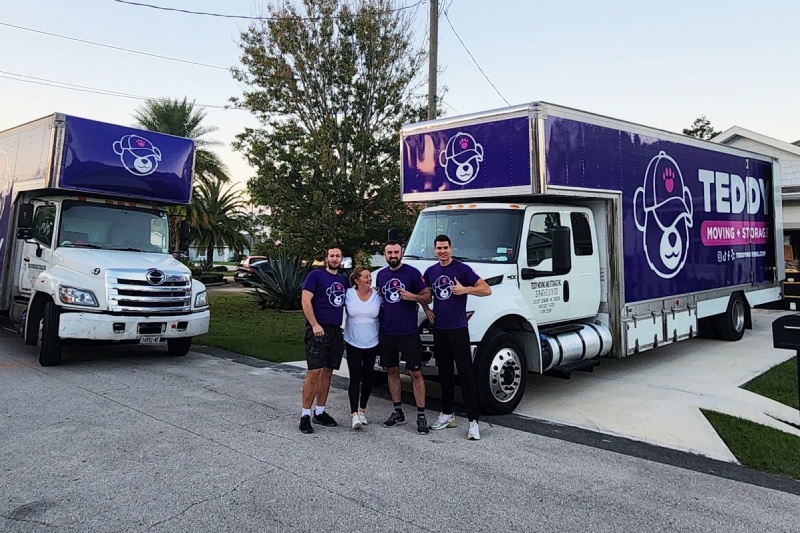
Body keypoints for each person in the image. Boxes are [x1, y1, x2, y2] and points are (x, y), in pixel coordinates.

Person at [423, 235, 491, 440]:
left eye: (445, 247)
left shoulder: (462, 269)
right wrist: (426, 308)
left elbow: (486, 289)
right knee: (443, 374)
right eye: (439, 248)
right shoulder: (431, 272)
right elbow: (423, 293)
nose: (442, 251)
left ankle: (473, 422)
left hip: (459, 329)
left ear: (451, 249)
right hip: (440, 329)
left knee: (465, 374)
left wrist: (465, 290)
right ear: (434, 250)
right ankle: (447, 414)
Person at [375, 241, 432, 434]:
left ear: (402, 253)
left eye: (396, 252)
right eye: (389, 252)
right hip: (387, 332)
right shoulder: (381, 275)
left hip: (408, 332)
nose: (393, 255)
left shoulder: (412, 273)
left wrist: (413, 297)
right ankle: (397, 411)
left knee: (415, 373)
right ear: (385, 254)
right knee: (391, 371)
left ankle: (421, 416)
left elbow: (427, 296)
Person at [298, 246, 350, 434]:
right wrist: (314, 324)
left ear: (341, 258)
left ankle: (320, 412)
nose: (335, 259)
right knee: (314, 372)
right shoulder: (315, 276)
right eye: (332, 256)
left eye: (338, 256)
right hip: (318, 330)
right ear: (326, 258)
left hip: (335, 331)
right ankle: (305, 414)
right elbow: (305, 300)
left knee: (328, 372)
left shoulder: (344, 280)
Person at [343, 266, 381, 430]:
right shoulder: (349, 294)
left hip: (372, 342)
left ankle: (362, 409)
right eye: (365, 277)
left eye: (370, 277)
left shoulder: (377, 295)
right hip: (353, 342)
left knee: (368, 377)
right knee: (355, 377)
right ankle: (354, 414)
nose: (369, 279)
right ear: (357, 280)